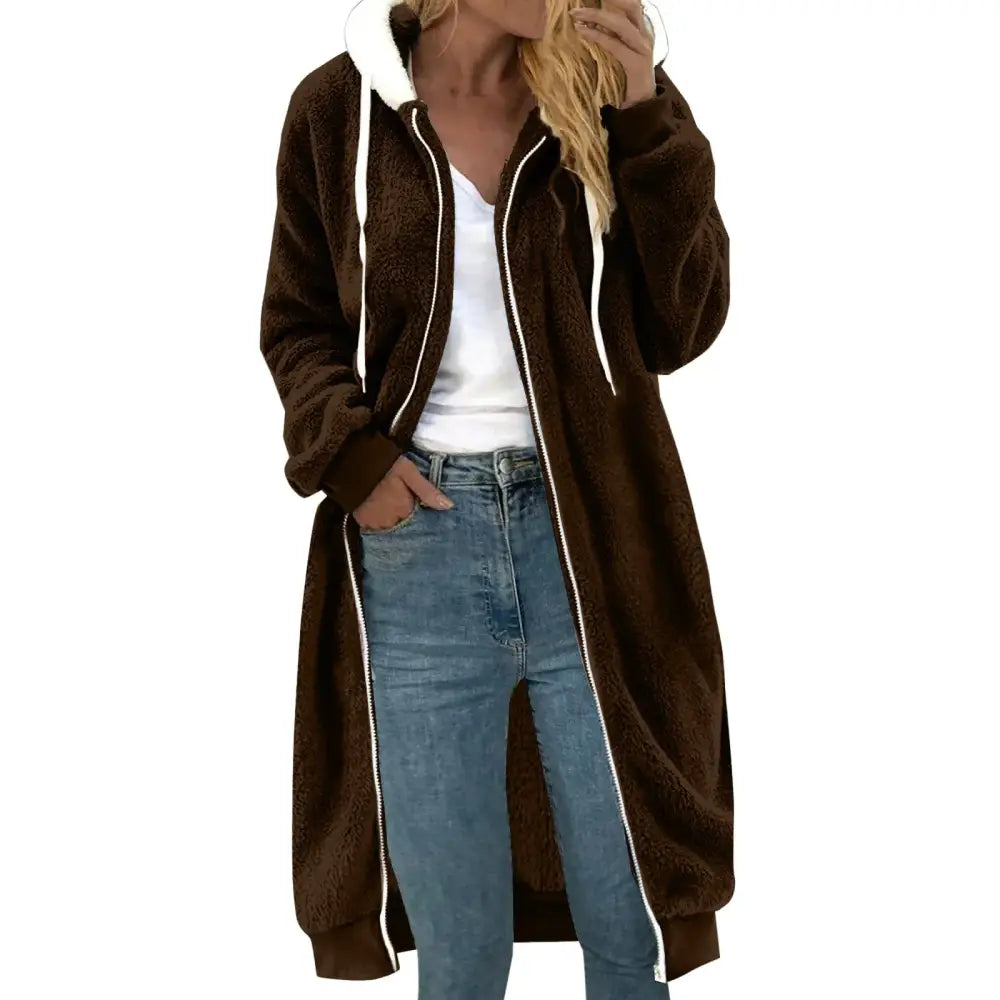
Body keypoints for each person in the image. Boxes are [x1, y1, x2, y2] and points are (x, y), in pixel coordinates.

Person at [259, 1, 735, 997]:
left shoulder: (611, 96)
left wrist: (645, 119)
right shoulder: (337, 110)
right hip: (418, 551)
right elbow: (298, 321)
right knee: (460, 951)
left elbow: (681, 323)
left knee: (630, 923)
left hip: (592, 538)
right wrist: (353, 459)